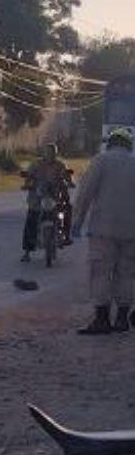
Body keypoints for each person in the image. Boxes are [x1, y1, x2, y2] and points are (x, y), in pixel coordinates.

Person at [71, 127, 135, 334]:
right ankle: (122, 319)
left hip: (102, 230)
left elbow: (85, 193)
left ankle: (102, 319)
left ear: (110, 143)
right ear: (129, 145)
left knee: (100, 273)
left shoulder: (100, 161)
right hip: (131, 232)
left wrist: (77, 222)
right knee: (127, 273)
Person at [21, 142, 73, 263]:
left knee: (67, 209)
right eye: (48, 152)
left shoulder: (60, 164)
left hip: (55, 196)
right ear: (43, 153)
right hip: (38, 197)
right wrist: (27, 184)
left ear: (56, 153)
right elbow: (29, 175)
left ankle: (66, 235)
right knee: (31, 218)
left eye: (53, 153)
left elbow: (66, 175)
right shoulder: (36, 164)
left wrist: (69, 182)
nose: (50, 155)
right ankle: (27, 251)